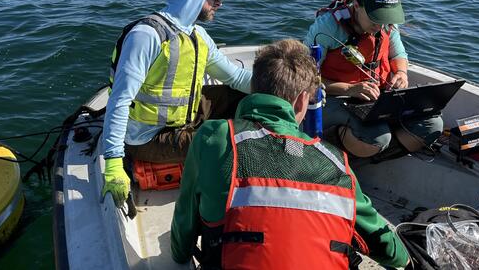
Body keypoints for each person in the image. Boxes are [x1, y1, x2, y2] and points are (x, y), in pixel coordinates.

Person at [170, 40, 409, 269]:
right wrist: (405, 257)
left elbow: (185, 222)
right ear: (302, 100)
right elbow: (389, 250)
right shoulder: (336, 163)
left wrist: (180, 254)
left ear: (253, 87)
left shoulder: (215, 137)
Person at [101, 0, 252, 208]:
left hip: (184, 118)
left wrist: (285, 91)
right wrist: (113, 163)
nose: (220, 3)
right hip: (148, 139)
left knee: (245, 98)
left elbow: (236, 78)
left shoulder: (197, 35)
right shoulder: (147, 36)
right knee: (229, 141)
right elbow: (119, 100)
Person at [304, 0, 443, 159]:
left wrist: (401, 74)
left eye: (387, 18)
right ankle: (334, 144)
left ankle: (371, 153)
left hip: (375, 97)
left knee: (432, 126)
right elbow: (304, 79)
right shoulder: (327, 27)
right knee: (378, 138)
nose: (381, 25)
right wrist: (348, 89)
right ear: (356, 4)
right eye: (376, 18)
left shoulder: (387, 24)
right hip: (335, 98)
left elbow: (398, 54)